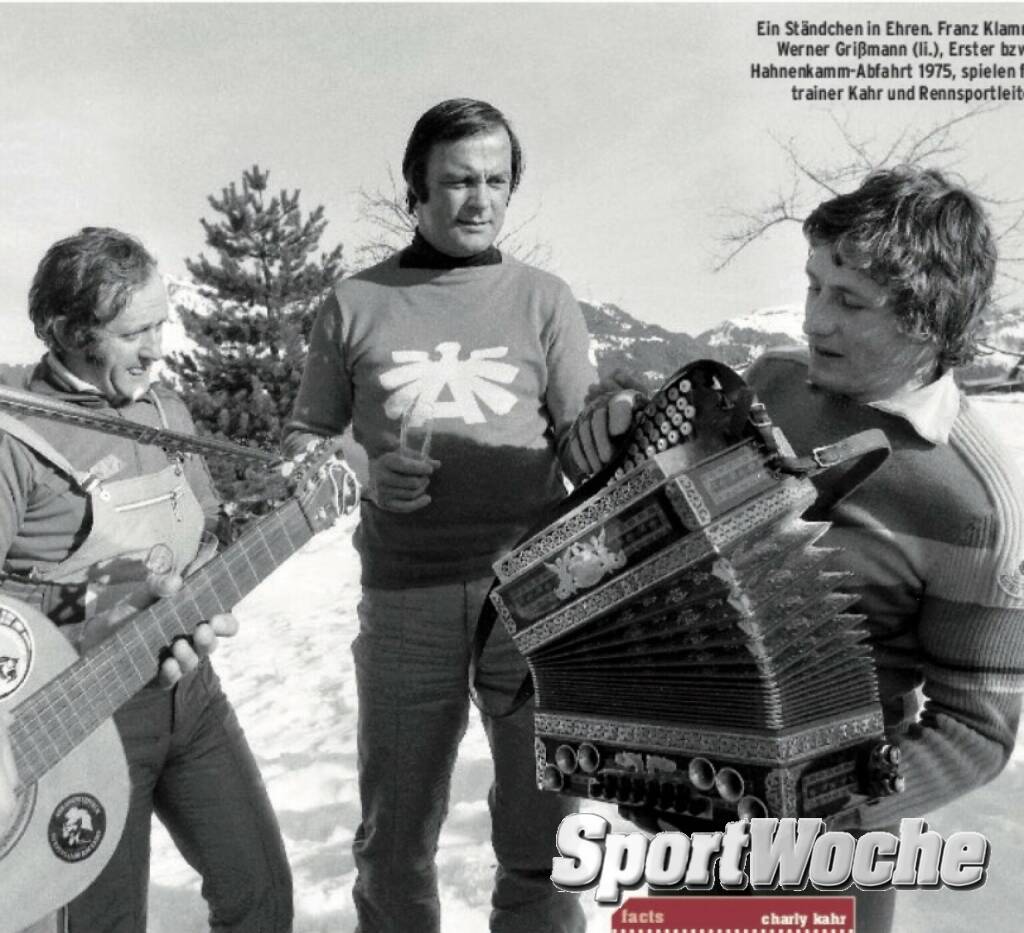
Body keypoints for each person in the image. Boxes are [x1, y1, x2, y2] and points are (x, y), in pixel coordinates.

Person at [568, 166, 1024, 931]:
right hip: (691, 807)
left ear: (928, 319)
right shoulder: (772, 385)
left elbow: (976, 728)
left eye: (849, 301)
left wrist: (827, 806)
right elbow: (666, 518)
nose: (815, 321)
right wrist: (619, 429)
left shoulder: (977, 505)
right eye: (814, 286)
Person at [285, 98, 594, 933]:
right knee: (395, 834)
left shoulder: (543, 299)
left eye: (496, 180)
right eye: (457, 181)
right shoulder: (355, 302)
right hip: (404, 596)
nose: (479, 199)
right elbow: (311, 442)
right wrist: (367, 472)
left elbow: (585, 444)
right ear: (416, 190)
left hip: (534, 596)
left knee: (545, 830)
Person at [0, 228, 292, 932]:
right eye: (135, 332)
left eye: (162, 323)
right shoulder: (15, 438)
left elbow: (206, 527)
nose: (158, 348)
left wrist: (207, 584)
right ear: (68, 332)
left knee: (260, 893)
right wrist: (99, 607)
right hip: (77, 727)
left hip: (189, 698)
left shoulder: (167, 412)